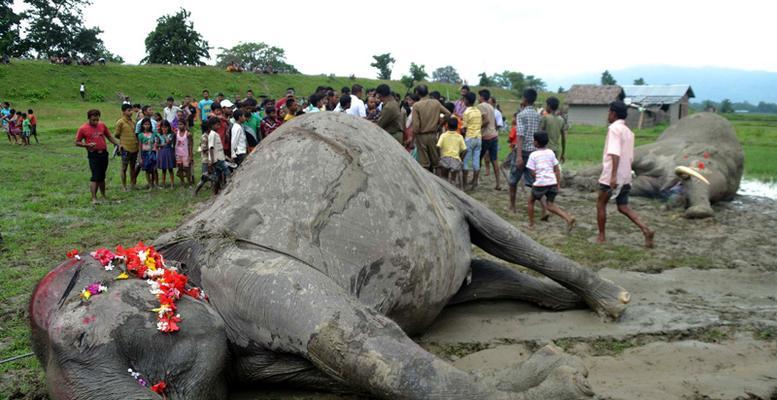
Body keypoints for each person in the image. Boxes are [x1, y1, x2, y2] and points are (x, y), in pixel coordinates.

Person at [597, 101, 655, 248]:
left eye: (609, 112)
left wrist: (613, 176)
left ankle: (601, 236)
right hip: (626, 175)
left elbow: (615, 154)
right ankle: (645, 229)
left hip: (612, 175)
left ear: (614, 113)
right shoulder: (629, 132)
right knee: (623, 206)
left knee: (600, 204)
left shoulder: (614, 129)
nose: (608, 115)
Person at [526, 132, 575, 230]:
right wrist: (557, 183)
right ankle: (568, 218)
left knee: (531, 202)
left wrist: (538, 178)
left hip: (541, 183)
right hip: (552, 182)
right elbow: (556, 169)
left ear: (536, 142)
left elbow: (531, 171)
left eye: (533, 140)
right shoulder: (551, 152)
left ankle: (531, 224)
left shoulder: (533, 155)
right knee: (550, 205)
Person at [74, 109, 119, 204]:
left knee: (102, 176)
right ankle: (94, 198)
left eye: (97, 119)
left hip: (103, 153)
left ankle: (103, 195)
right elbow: (77, 142)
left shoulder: (102, 125)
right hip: (93, 154)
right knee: (95, 176)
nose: (95, 122)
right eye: (93, 120)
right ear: (89, 118)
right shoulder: (83, 128)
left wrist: (117, 144)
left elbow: (109, 136)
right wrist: (86, 145)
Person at [509, 89, 541, 213]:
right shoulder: (538, 115)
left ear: (525, 99)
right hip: (534, 152)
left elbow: (520, 135)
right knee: (534, 182)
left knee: (513, 180)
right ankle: (544, 208)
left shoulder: (521, 115)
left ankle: (512, 206)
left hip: (523, 151)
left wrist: (518, 156)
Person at [411, 84, 451, 172]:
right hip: (433, 135)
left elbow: (416, 127)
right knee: (436, 162)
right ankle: (440, 182)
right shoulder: (436, 103)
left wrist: (413, 139)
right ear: (427, 92)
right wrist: (440, 124)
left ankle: (427, 183)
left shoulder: (416, 105)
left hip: (421, 137)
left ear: (417, 93)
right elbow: (448, 113)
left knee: (424, 164)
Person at [477, 89, 501, 189]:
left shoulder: (481, 106)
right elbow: (494, 123)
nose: (478, 98)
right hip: (494, 135)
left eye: (479, 97)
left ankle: (475, 180)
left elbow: (486, 120)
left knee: (478, 158)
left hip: (485, 136)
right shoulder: (491, 107)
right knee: (494, 160)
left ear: (482, 97)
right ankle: (498, 183)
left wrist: (477, 127)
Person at [436, 116, 467, 190]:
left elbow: (438, 146)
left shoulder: (443, 135)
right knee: (453, 179)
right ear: (457, 127)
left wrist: (439, 157)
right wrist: (461, 159)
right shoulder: (459, 137)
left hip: (444, 159)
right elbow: (465, 150)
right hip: (455, 160)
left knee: (444, 177)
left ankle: (444, 189)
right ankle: (453, 187)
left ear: (447, 126)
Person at [115, 104, 139, 191]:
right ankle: (123, 186)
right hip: (125, 148)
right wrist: (122, 142)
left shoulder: (133, 122)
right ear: (123, 111)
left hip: (134, 147)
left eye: (131, 110)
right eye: (129, 110)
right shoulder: (120, 122)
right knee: (124, 167)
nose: (131, 112)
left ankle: (133, 184)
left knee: (133, 167)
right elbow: (117, 135)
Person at [460, 92, 482, 190]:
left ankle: (464, 185)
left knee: (465, 161)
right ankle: (474, 184)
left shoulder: (466, 112)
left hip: (469, 138)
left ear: (467, 101)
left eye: (464, 99)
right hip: (478, 138)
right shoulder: (478, 111)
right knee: (476, 161)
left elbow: (464, 128)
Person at [207, 116, 229, 194]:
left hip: (220, 157)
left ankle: (216, 191)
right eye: (217, 125)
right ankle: (228, 187)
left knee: (218, 175)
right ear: (212, 125)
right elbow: (211, 148)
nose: (219, 127)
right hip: (217, 159)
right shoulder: (212, 135)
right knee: (227, 172)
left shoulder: (215, 134)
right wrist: (212, 160)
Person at [540, 97, 566, 163]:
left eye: (546, 105)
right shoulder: (561, 120)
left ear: (549, 106)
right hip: (556, 150)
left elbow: (539, 133)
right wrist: (563, 153)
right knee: (553, 170)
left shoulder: (545, 118)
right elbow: (563, 138)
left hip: (546, 149)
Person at [137, 117, 160, 188]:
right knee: (147, 169)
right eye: (145, 124)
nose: (147, 126)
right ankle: (150, 184)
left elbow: (157, 142)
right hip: (145, 153)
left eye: (148, 124)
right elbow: (140, 146)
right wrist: (140, 157)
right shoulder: (140, 135)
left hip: (152, 153)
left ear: (150, 125)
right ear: (142, 125)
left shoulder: (153, 134)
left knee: (154, 169)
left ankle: (155, 183)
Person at [175, 119, 194, 188]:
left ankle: (189, 183)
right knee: (180, 168)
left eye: (181, 124)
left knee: (187, 169)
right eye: (179, 124)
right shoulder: (176, 133)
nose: (180, 126)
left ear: (185, 125)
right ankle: (182, 182)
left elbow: (190, 145)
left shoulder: (188, 134)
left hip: (186, 154)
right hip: (178, 154)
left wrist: (190, 155)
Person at [156, 120, 176, 188]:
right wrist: (161, 145)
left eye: (166, 127)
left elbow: (171, 143)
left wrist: (167, 139)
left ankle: (172, 184)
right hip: (162, 153)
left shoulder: (172, 134)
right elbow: (157, 145)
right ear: (161, 127)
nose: (164, 129)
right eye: (163, 127)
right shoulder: (159, 135)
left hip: (169, 152)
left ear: (168, 127)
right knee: (163, 169)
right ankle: (163, 184)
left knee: (170, 169)